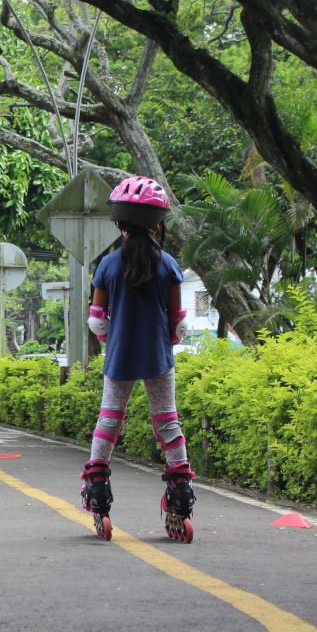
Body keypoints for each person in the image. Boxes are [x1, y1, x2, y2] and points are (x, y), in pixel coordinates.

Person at [83, 175, 191, 543]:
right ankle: (180, 493)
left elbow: (97, 320)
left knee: (110, 418)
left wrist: (113, 337)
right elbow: (178, 322)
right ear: (157, 224)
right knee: (167, 422)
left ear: (119, 223)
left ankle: (97, 488)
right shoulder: (169, 265)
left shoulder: (107, 265)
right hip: (159, 358)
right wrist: (165, 339)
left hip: (119, 358)